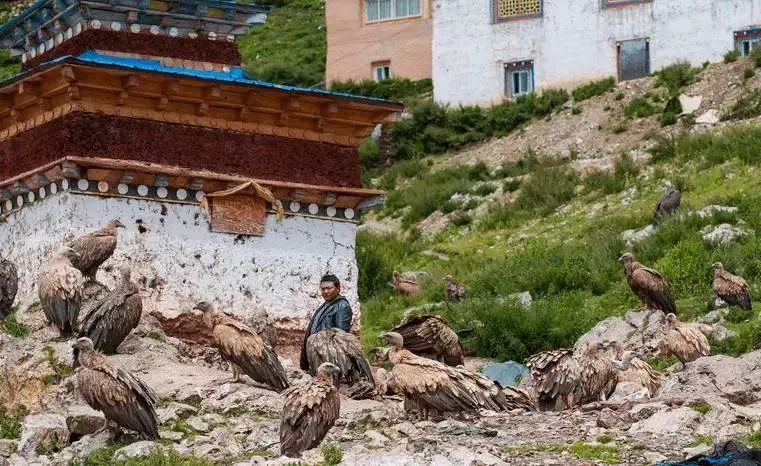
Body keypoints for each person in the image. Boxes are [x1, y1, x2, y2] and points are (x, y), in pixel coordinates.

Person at [299, 274, 353, 373]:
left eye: (329, 288)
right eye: (323, 289)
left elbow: (341, 336)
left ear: (338, 289)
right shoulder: (326, 304)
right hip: (318, 352)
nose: (326, 291)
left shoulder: (342, 306)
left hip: (326, 355)